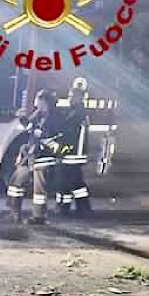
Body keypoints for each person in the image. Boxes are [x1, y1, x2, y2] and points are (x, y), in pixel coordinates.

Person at [7, 89, 68, 225]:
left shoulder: (55, 118)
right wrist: (21, 118)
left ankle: (39, 216)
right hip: (32, 154)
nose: (35, 101)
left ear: (44, 101)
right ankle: (14, 212)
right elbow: (30, 127)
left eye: (37, 99)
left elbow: (48, 136)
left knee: (39, 190)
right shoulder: (38, 114)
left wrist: (36, 135)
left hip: (44, 156)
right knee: (16, 181)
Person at [55, 78, 92, 217]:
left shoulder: (78, 112)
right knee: (69, 180)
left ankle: (80, 208)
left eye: (72, 96)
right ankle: (70, 207)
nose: (70, 98)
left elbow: (68, 130)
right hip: (72, 152)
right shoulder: (75, 111)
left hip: (74, 153)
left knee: (73, 181)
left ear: (79, 97)